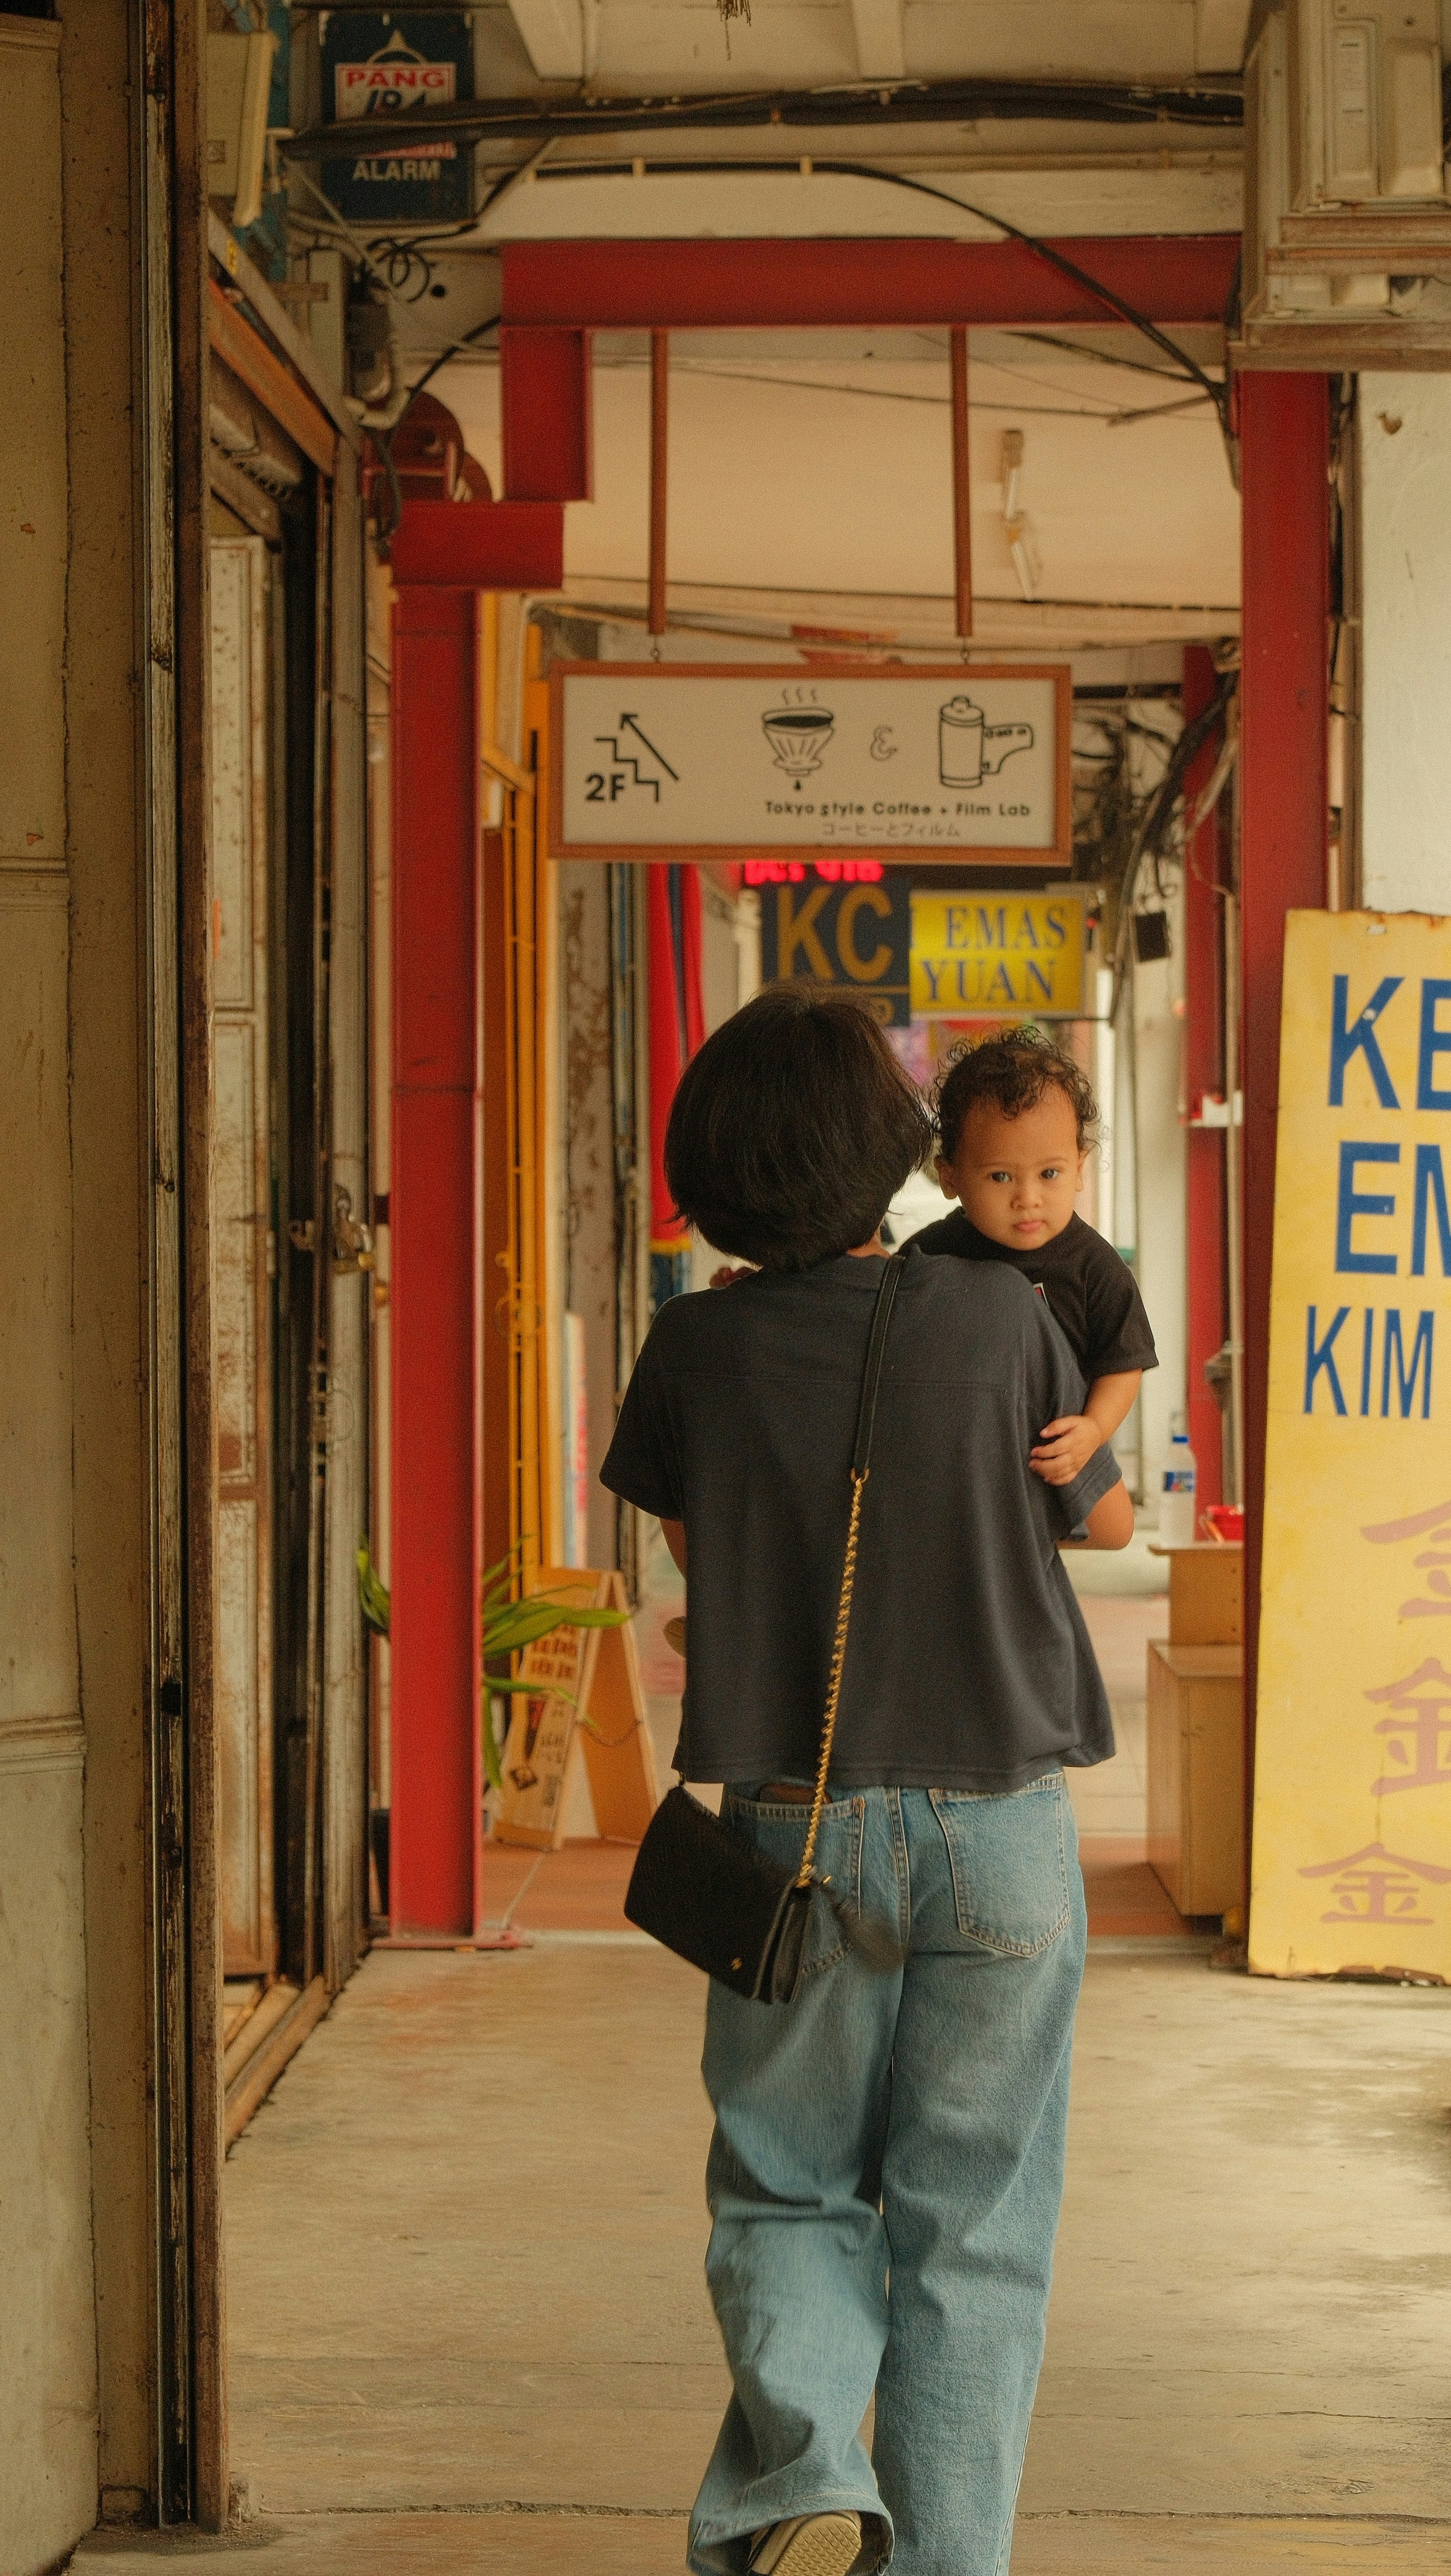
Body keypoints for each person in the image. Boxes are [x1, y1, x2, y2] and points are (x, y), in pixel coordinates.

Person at [599, 983, 1134, 2576]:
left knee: (784, 2180)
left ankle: (804, 2471)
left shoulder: (691, 1340)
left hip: (799, 1831)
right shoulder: (990, 1314)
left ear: (715, 1173)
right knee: (974, 2220)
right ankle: (947, 2562)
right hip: (1002, 1830)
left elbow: (701, 1549)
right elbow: (1087, 1518)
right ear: (896, 1153)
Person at [908, 1029, 1157, 1490]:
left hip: (1055, 1463)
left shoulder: (1095, 1268)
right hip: (956, 1465)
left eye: (1049, 1174)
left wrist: (1093, 1431)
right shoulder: (928, 1257)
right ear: (950, 1177)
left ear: (1079, 1168)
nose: (1028, 1198)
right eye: (1001, 1176)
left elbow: (1123, 1364)